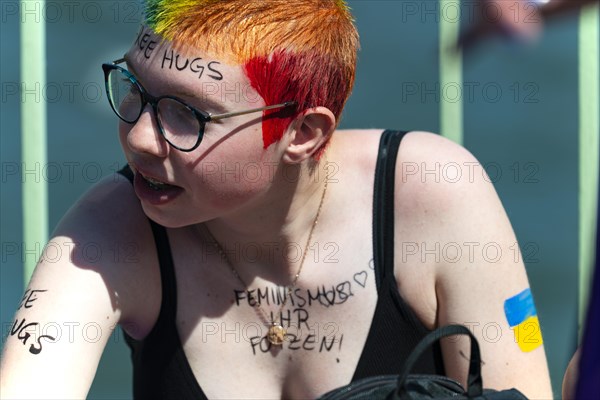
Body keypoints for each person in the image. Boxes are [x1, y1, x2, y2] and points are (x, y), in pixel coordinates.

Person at [0, 1, 553, 398]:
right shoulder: (109, 230)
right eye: (135, 89)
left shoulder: (434, 191)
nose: (141, 136)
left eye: (186, 114)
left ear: (304, 133)